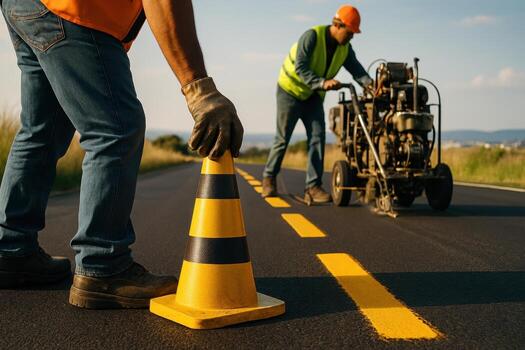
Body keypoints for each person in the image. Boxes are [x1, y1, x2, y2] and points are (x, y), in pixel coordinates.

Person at [0, 0, 243, 309]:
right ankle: (103, 266)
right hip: (76, 10)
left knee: (42, 131)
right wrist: (199, 89)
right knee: (115, 129)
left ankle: (11, 249)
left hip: (28, 6)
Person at [262, 5, 373, 202]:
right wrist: (322, 82)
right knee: (282, 138)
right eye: (349, 32)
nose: (351, 37)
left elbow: (357, 71)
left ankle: (313, 187)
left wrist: (372, 86)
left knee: (317, 137)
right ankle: (269, 178)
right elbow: (301, 67)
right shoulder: (312, 36)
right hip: (290, 91)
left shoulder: (345, 48)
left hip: (313, 96)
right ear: (337, 25)